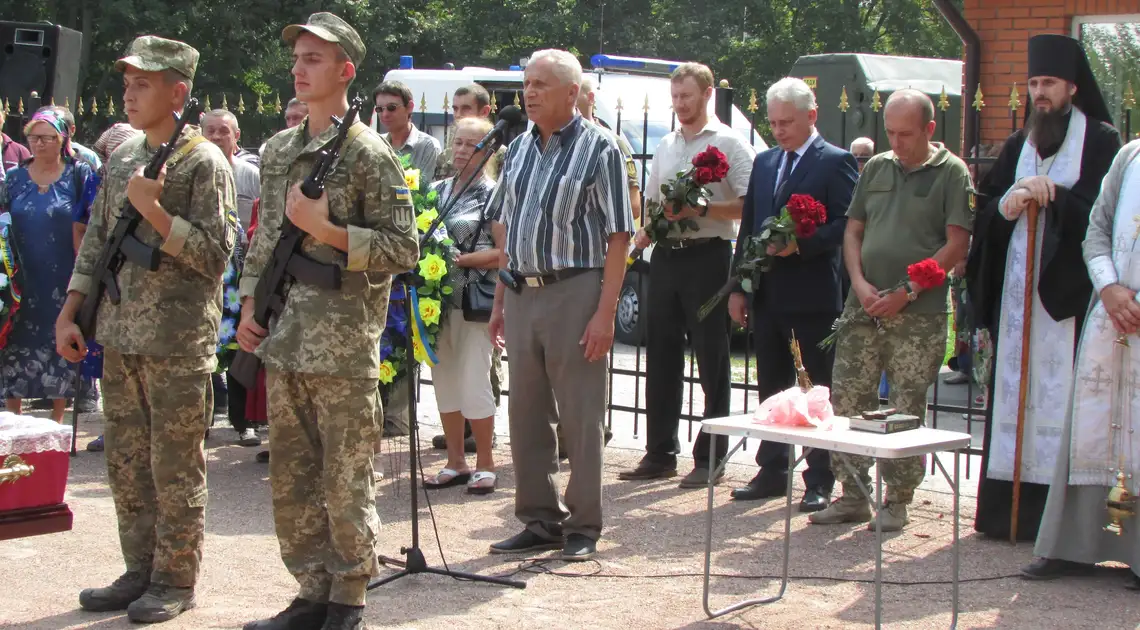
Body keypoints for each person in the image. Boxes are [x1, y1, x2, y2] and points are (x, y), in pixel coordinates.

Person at [236, 13, 418, 630]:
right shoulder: (281, 148)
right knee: (292, 482)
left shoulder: (369, 153)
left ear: (345, 72)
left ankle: (348, 599)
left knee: (345, 483)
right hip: (284, 339)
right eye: (298, 57)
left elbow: (404, 249)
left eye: (314, 59)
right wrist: (246, 308)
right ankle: (311, 592)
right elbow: (264, 244)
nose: (299, 68)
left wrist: (328, 232)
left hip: (342, 347)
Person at [57, 35, 236, 623]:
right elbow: (101, 243)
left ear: (177, 92)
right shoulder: (126, 154)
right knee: (128, 464)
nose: (130, 94)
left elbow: (215, 255)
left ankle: (174, 578)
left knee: (175, 465)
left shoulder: (204, 160)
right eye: (128, 82)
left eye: (143, 84)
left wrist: (156, 212)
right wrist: (72, 307)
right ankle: (139, 568)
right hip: (120, 333)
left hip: (177, 341)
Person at [966, 33, 1122, 542]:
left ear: (1072, 87)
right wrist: (1007, 206)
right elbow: (985, 210)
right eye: (1033, 83)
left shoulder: (1100, 140)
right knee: (1014, 396)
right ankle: (1003, 516)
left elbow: (1108, 219)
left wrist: (1056, 197)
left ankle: (1056, 525)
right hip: (1017, 296)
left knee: (1061, 398)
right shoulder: (1018, 143)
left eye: (1049, 83)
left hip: (1067, 298)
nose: (1040, 93)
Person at [486, 49, 633, 562]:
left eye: (542, 85)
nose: (529, 93)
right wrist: (502, 299)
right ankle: (539, 519)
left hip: (576, 289)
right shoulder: (519, 147)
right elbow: (507, 225)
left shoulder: (601, 148)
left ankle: (584, 523)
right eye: (527, 83)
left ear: (572, 93)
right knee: (525, 413)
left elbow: (620, 236)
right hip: (522, 291)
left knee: (579, 413)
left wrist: (605, 312)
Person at [809, 89, 971, 532]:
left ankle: (897, 499)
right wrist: (858, 283)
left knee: (904, 407)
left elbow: (956, 242)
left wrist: (910, 291)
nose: (896, 142)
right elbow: (853, 230)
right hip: (863, 306)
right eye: (891, 133)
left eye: (906, 134)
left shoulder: (951, 173)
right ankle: (853, 494)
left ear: (929, 130)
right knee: (848, 398)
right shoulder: (877, 167)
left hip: (917, 314)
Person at [617, 63, 753, 488]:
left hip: (708, 256)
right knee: (660, 353)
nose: (679, 105)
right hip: (666, 257)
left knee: (712, 356)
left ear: (708, 93)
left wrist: (702, 210)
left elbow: (750, 206)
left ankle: (710, 456)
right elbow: (654, 205)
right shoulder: (667, 144)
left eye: (686, 97)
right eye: (675, 97)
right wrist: (640, 238)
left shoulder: (730, 143)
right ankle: (660, 452)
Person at [725, 77, 856, 510]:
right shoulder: (764, 163)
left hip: (813, 292)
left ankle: (820, 475)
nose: (779, 130)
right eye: (774, 122)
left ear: (811, 116)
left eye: (787, 122)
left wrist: (805, 241)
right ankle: (771, 468)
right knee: (771, 385)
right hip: (769, 293)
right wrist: (740, 286)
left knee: (815, 385)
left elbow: (847, 224)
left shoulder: (834, 162)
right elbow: (748, 230)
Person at [1021, 138, 1140, 586]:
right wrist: (1110, 290)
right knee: (1092, 433)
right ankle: (1071, 545)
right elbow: (1097, 231)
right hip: (1111, 314)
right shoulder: (1130, 155)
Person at [0, 108, 98, 424]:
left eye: (46, 137)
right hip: (22, 277)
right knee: (16, 345)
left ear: (62, 138)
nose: (39, 144)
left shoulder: (78, 175)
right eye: (33, 137)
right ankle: (15, 422)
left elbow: (90, 222)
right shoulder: (14, 179)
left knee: (60, 343)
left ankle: (57, 423)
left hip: (63, 274)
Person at [422, 117, 501, 494]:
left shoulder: (496, 195)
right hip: (437, 304)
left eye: (470, 144)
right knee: (445, 383)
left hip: (476, 303)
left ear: (487, 151)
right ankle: (455, 461)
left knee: (474, 381)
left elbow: (507, 253)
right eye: (456, 143)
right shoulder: (434, 191)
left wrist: (461, 260)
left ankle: (485, 462)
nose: (460, 150)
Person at [201, 108, 261, 447]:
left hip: (241, 273)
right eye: (209, 130)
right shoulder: (191, 170)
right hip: (206, 272)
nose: (215, 137)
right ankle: (203, 419)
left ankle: (244, 422)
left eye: (223, 131)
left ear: (236, 137)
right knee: (204, 345)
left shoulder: (250, 175)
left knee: (242, 344)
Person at [374, 79, 441, 182]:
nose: (385, 114)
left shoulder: (427, 146)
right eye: (379, 109)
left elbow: (423, 192)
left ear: (409, 107)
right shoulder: (376, 144)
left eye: (391, 107)